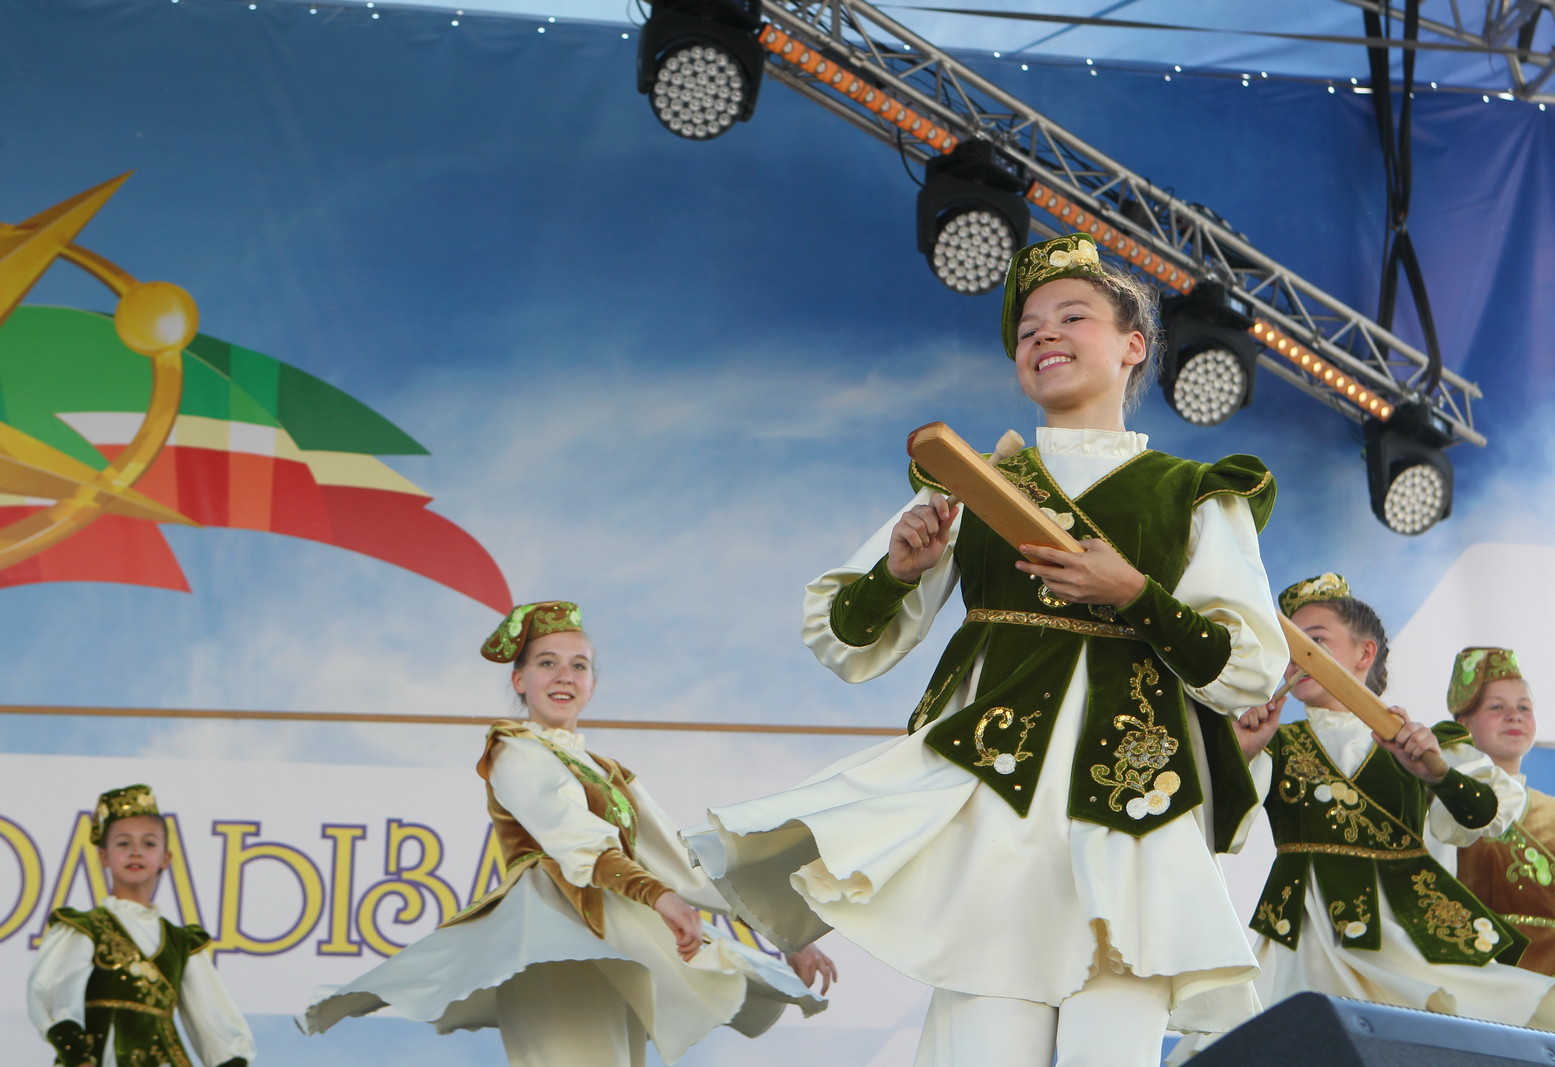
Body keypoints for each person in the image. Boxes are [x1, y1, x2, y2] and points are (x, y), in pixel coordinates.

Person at [684, 232, 1290, 1066]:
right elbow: (845, 639)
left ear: (1133, 346)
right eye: (1028, 329)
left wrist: (1135, 594)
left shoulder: (1193, 495)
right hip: (994, 810)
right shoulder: (973, 482)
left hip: (1132, 819)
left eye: (1071, 317)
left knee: (1110, 1049)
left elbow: (1248, 667)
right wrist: (899, 570)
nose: (1045, 336)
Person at [302, 600, 831, 1067]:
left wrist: (784, 934)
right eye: (547, 663)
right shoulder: (513, 750)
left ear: (592, 684)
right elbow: (573, 836)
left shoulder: (609, 772)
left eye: (579, 665)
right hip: (550, 937)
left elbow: (680, 858)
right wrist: (658, 896)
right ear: (519, 680)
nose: (564, 676)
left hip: (616, 940)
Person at [1229, 577, 1555, 1031]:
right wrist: (1242, 753)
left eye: (1315, 643)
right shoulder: (1274, 744)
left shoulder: (1424, 743)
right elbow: (1220, 833)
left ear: (1364, 653)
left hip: (1406, 934)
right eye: (1290, 650)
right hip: (1304, 938)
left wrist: (1437, 772)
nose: (1298, 660)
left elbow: (1486, 815)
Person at [27, 784, 255, 1067]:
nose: (136, 852)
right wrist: (75, 1053)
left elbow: (215, 1018)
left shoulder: (182, 942)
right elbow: (52, 991)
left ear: (165, 858)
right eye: (123, 843)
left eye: (148, 844)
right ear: (104, 856)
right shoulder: (85, 928)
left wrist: (231, 1059)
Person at [1450, 646, 1555, 1037]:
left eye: (1524, 707)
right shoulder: (1442, 807)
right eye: (1496, 707)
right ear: (1464, 723)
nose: (1514, 716)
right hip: (1470, 981)